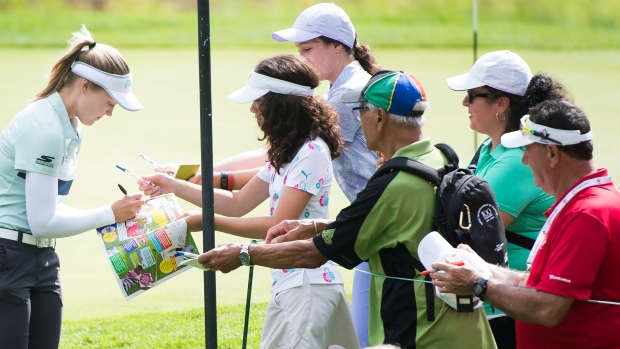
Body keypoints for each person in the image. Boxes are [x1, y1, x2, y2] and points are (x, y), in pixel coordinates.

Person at [196, 70, 497, 348]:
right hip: (470, 329)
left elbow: (314, 253)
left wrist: (243, 254)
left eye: (360, 111)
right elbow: (388, 225)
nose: (357, 119)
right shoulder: (439, 159)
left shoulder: (392, 184)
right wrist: (316, 226)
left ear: (379, 117)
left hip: (423, 333)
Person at [159, 4, 382, 345]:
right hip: (311, 268)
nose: (303, 58)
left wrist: (196, 193)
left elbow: (277, 218)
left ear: (337, 45)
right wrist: (184, 179)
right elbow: (241, 194)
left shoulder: (341, 104)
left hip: (335, 259)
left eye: (307, 49)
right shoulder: (298, 141)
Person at [430, 100, 620, 348]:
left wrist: (477, 284)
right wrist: (483, 269)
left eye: (527, 150)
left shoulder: (587, 214)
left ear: (552, 154)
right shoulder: (583, 204)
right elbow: (536, 284)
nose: (524, 161)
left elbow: (548, 308)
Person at [0, 26, 144, 349]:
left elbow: (50, 208)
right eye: (109, 102)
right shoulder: (45, 127)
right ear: (84, 86)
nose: (110, 112)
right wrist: (109, 213)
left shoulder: (72, 127)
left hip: (42, 258)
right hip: (9, 259)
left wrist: (114, 215)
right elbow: (41, 220)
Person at [445, 50, 565, 348]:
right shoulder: (490, 148)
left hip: (509, 305)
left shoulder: (516, 162)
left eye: (472, 95)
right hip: (494, 296)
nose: (465, 103)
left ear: (501, 103)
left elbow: (470, 231)